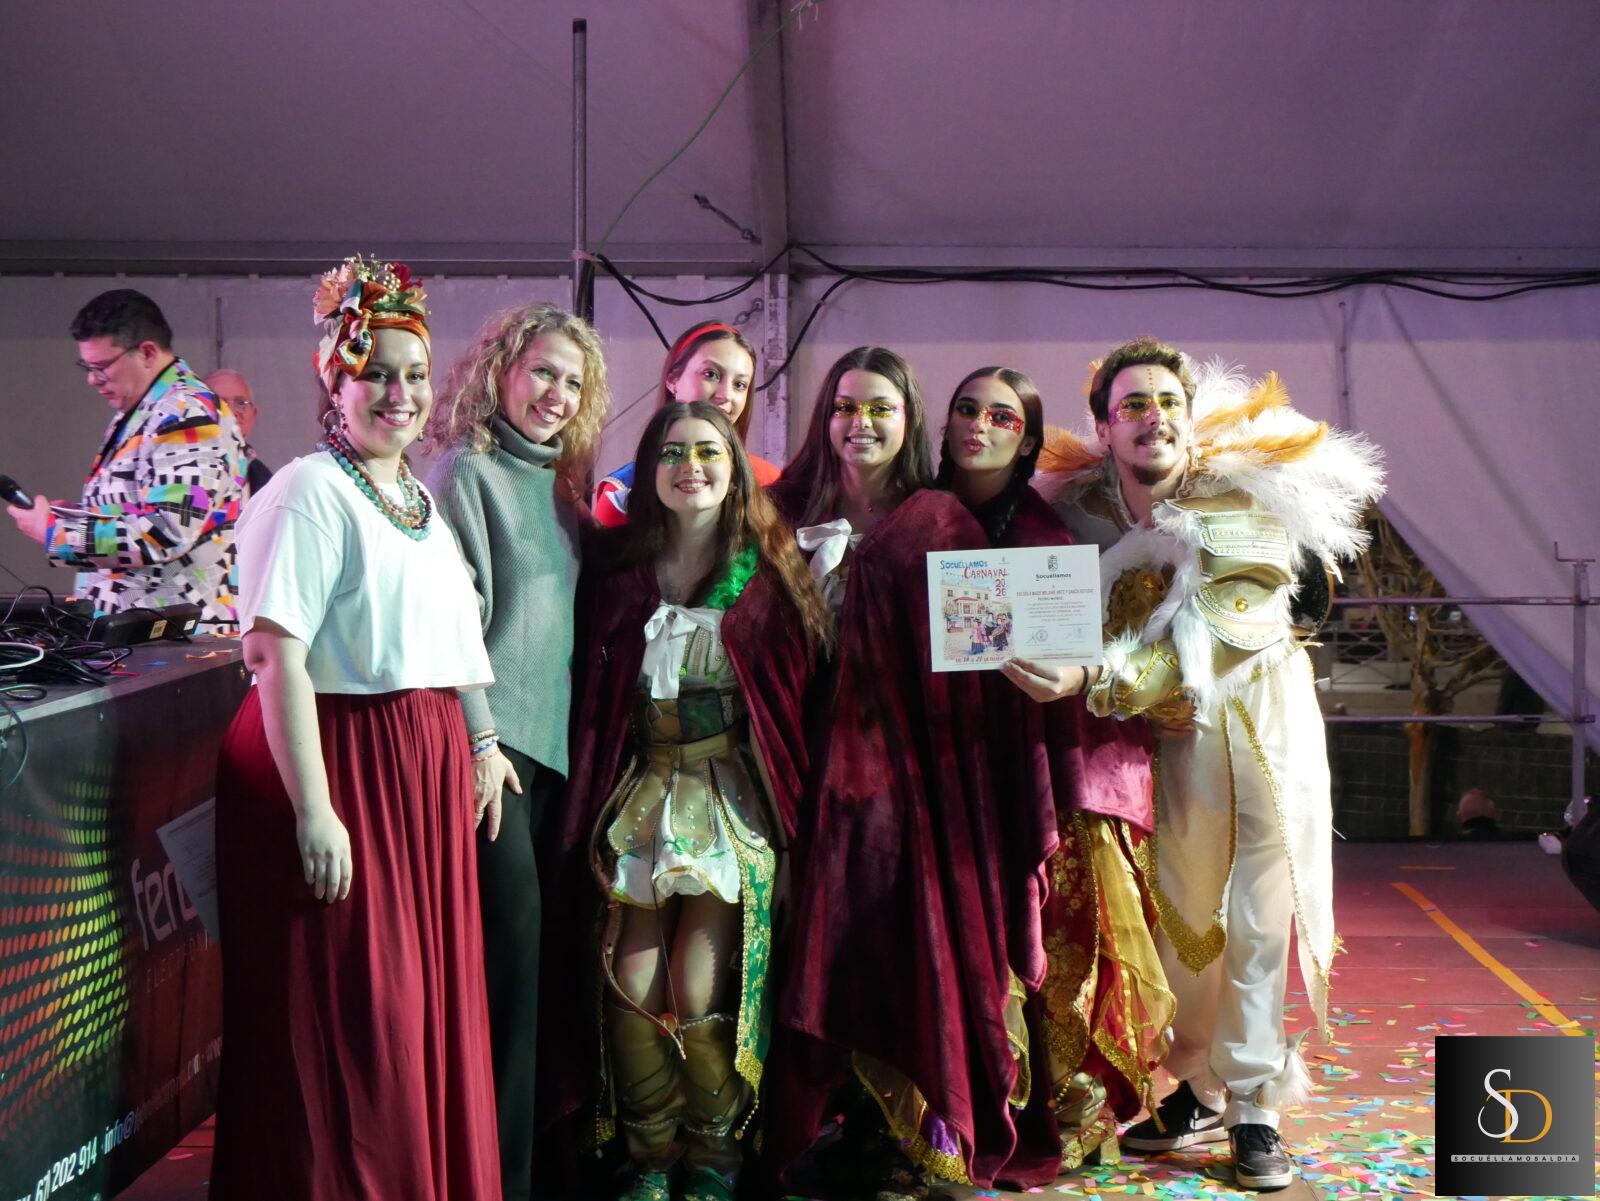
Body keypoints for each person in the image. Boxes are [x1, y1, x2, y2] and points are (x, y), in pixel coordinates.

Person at [1034, 337, 1384, 1191]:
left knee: (1259, 915)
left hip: (1262, 728)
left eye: (1167, 402)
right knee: (1182, 918)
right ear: (1104, 427)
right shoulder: (1082, 511)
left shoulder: (1239, 498)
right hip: (1168, 745)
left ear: (1191, 417)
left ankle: (1256, 1101)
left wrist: (1094, 681)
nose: (1153, 417)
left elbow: (1225, 631)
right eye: (1133, 404)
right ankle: (1196, 1083)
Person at [210, 258, 501, 1200]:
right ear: (333, 380)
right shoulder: (308, 490)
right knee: (356, 1020)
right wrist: (315, 808)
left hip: (413, 777)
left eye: (414, 375)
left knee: (411, 1012)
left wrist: (479, 744)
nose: (399, 393)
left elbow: (445, 644)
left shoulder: (414, 498)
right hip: (340, 765)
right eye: (375, 373)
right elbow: (275, 655)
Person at [767, 348, 1055, 1199]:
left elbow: (980, 676)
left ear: (908, 420)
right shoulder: (784, 514)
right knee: (821, 952)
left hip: (915, 786)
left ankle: (912, 1141)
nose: (860, 423)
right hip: (805, 774)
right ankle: (836, 1128)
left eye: (880, 408)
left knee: (908, 951)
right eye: (845, 406)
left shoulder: (940, 521)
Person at [541, 401, 828, 1201]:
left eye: (708, 452)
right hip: (640, 798)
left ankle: (714, 1158)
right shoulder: (619, 573)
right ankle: (650, 1156)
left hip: (728, 802)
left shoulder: (766, 580)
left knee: (700, 993)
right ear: (649, 470)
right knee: (629, 991)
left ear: (735, 470)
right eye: (671, 453)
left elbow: (791, 708)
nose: (690, 467)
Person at [937, 367, 1172, 1182]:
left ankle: (1050, 1109)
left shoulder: (1050, 537)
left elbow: (1076, 663)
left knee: (1050, 936)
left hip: (1030, 764)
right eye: (967, 409)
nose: (980, 425)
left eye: (1003, 416)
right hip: (931, 763)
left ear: (1028, 438)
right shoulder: (916, 518)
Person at [423, 301, 610, 1201]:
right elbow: (448, 623)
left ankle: (524, 1170)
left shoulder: (559, 487)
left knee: (534, 979)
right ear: (500, 368)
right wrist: (479, 740)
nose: (556, 394)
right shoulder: (466, 471)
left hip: (547, 761)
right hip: (492, 757)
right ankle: (496, 1182)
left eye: (573, 382)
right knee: (508, 980)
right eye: (542, 371)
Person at [5, 289, 245, 626]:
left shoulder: (186, 412)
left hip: (177, 633)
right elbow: (145, 510)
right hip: (148, 627)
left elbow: (166, 531)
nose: (92, 379)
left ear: (147, 352)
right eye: (87, 367)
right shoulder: (149, 408)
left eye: (102, 367)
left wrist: (57, 533)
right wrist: (79, 516)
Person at [593, 321, 780, 526]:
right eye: (711, 374)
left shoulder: (771, 483)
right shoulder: (623, 491)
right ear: (673, 379)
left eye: (740, 384)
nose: (726, 395)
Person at [205, 368, 273, 495]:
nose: (231, 412)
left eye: (241, 403)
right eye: (220, 404)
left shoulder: (265, 478)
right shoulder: (184, 468)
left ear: (253, 414)